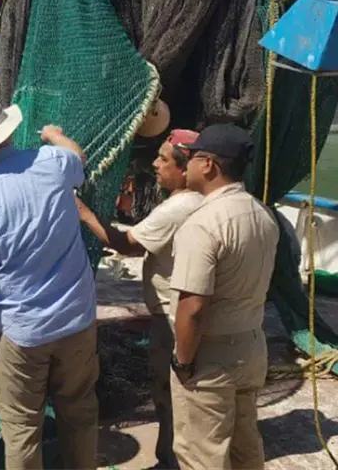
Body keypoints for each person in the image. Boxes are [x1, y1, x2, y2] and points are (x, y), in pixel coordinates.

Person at [0, 89, 98, 470]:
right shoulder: (53, 161)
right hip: (77, 319)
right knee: (79, 415)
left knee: (21, 431)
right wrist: (55, 136)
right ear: (8, 129)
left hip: (21, 333)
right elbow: (79, 158)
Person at [77, 129, 203, 470]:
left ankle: (172, 460)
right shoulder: (206, 202)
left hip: (173, 319)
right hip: (193, 316)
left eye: (163, 159)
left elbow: (127, 244)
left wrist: (85, 214)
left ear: (185, 168)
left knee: (169, 394)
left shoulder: (177, 208)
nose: (155, 164)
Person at [168, 124, 279, 470]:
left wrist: (183, 362)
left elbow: (193, 308)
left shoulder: (203, 224)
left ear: (209, 165)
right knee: (245, 447)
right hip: (251, 346)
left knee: (202, 454)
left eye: (192, 157)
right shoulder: (263, 214)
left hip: (210, 356)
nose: (186, 164)